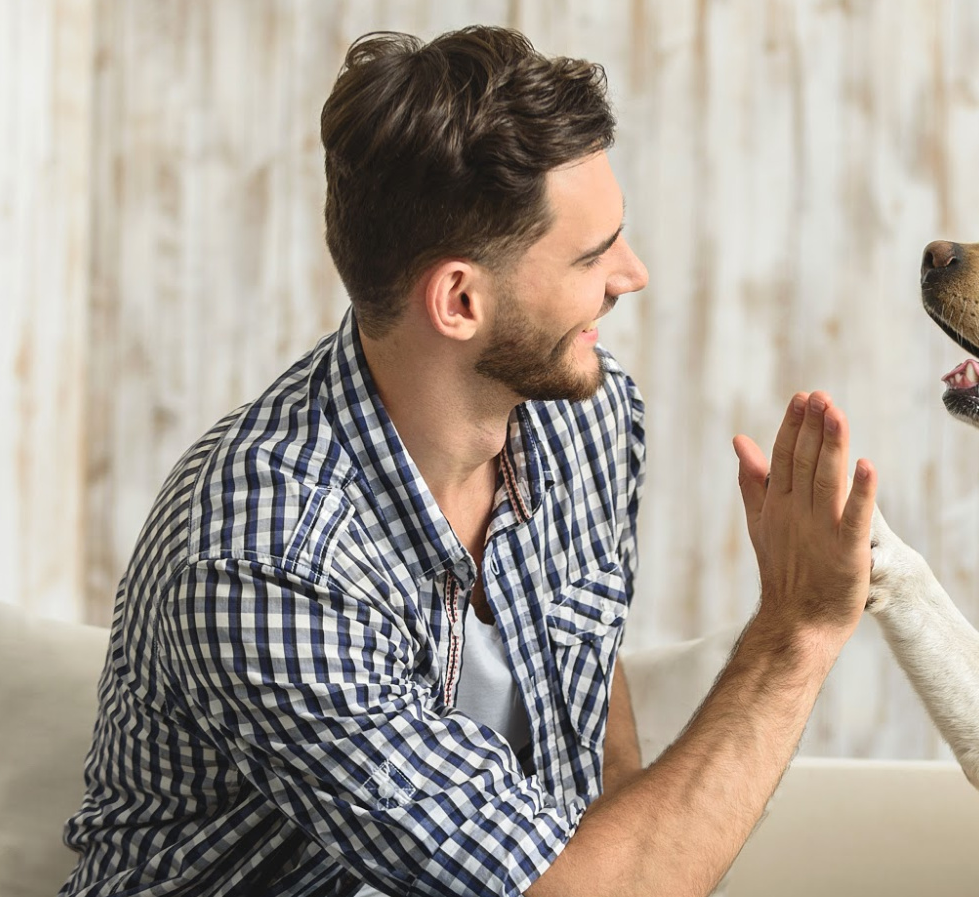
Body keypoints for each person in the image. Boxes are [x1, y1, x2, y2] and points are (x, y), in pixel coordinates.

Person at [59, 25, 877, 897]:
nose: (631, 275)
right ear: (459, 299)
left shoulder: (586, 422)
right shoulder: (266, 552)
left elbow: (593, 710)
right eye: (593, 254)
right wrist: (799, 629)